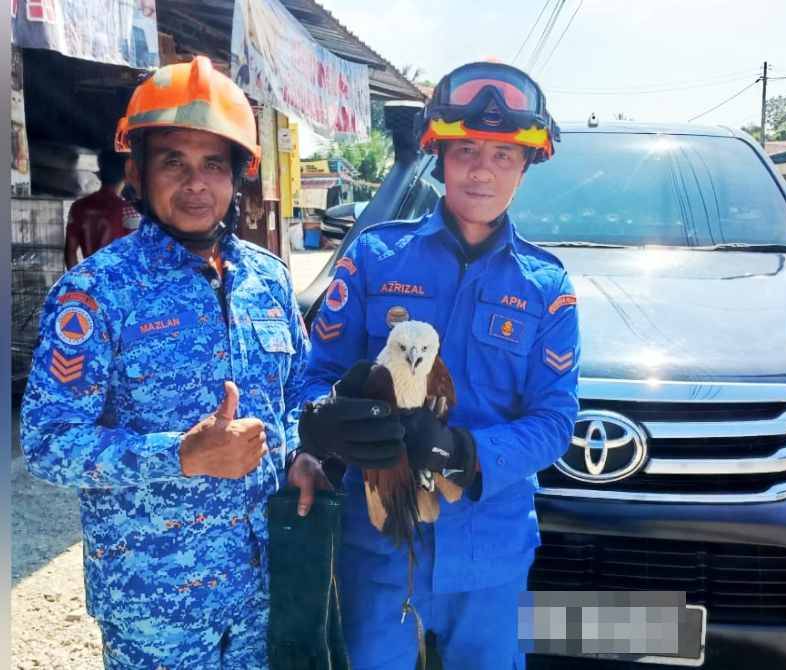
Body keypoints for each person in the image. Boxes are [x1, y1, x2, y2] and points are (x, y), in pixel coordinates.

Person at [20, 56, 330, 670]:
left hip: (261, 592)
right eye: (174, 162)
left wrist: (301, 455)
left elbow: (294, 394)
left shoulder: (267, 281)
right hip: (154, 607)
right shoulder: (97, 293)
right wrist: (181, 455)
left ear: (238, 175)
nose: (196, 184)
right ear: (136, 171)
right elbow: (46, 441)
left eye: (214, 163)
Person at [295, 60, 580, 670]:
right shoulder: (375, 257)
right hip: (379, 542)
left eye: (504, 155)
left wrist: (467, 453)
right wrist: (321, 420)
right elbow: (315, 373)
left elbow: (556, 421)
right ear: (438, 157)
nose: (482, 169)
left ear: (526, 167)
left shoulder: (547, 286)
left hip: (491, 552)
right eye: (466, 150)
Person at [64, 149, 131, 269]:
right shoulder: (128, 210)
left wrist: (78, 283)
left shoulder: (78, 207)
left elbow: (70, 252)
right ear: (127, 176)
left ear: (99, 173)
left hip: (91, 280)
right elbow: (137, 253)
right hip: (118, 281)